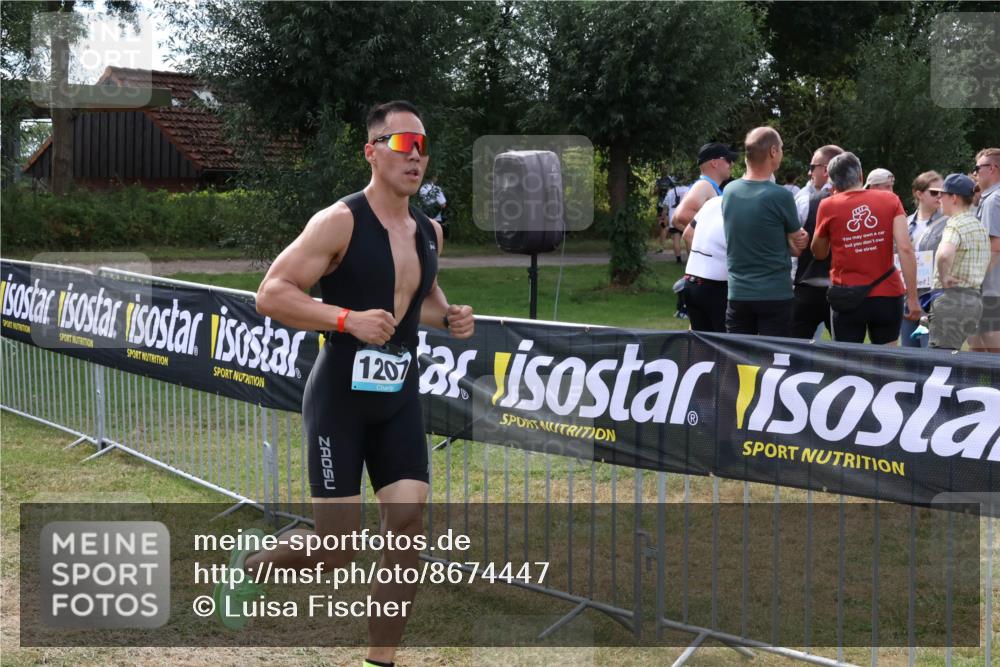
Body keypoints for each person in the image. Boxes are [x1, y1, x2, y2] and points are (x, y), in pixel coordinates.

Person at [224, 101, 475, 667]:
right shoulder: (338, 221)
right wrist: (344, 318)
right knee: (334, 546)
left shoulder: (428, 231)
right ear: (372, 151)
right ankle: (252, 564)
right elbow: (272, 292)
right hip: (341, 395)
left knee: (406, 526)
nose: (416, 157)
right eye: (402, 144)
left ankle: (379, 659)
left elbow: (419, 302)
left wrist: (452, 315)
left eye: (422, 146)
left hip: (399, 395)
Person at [810, 152, 921, 345]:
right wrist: (913, 297)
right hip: (887, 293)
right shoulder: (890, 200)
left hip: (847, 296)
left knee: (848, 362)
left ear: (833, 182)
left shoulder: (827, 205)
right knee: (887, 361)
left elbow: (819, 253)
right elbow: (905, 248)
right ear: (861, 176)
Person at [722, 127, 808, 336]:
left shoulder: (730, 191)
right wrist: (792, 240)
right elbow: (797, 247)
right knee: (774, 363)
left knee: (739, 362)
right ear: (772, 152)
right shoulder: (780, 196)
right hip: (775, 294)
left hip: (738, 293)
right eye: (781, 149)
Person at [927, 173, 990, 350]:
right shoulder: (978, 225)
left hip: (951, 301)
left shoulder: (955, 224)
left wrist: (945, 276)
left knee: (940, 362)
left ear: (953, 198)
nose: (939, 198)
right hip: (974, 301)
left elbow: (944, 255)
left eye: (942, 194)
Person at [790, 144, 844, 340]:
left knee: (796, 350)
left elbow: (792, 245)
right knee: (844, 349)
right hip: (829, 287)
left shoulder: (803, 200)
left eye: (812, 166)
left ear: (826, 168)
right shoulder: (803, 199)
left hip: (813, 285)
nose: (809, 171)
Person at [900, 170, 947, 347]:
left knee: (932, 357)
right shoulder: (904, 223)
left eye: (943, 192)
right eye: (934, 192)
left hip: (935, 299)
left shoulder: (949, 222)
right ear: (919, 193)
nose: (940, 196)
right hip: (908, 298)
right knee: (908, 359)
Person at [681, 184, 728, 332]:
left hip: (692, 281)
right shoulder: (739, 210)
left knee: (699, 341)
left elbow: (687, 234)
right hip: (717, 286)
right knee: (724, 344)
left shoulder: (711, 203)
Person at [967, 148, 1000, 352]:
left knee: (993, 355)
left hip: (991, 291)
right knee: (976, 349)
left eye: (977, 168)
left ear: (993, 168)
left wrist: (972, 282)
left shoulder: (993, 200)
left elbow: (995, 245)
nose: (975, 173)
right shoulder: (990, 198)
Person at [672, 142, 737, 232]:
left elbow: (675, 221)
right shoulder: (704, 185)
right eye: (728, 160)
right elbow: (683, 215)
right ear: (714, 163)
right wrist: (719, 231)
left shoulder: (704, 185)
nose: (732, 164)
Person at [794, 145, 843, 226]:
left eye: (812, 167)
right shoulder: (861, 202)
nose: (809, 173)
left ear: (826, 170)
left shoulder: (804, 203)